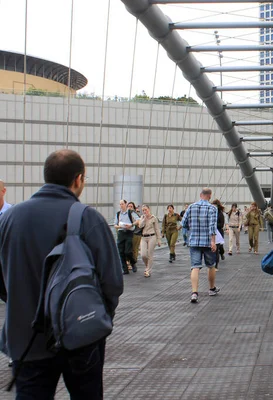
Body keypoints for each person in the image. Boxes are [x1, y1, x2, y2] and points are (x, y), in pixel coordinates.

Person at [0, 149, 123, 399]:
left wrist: (20, 301)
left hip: (26, 336)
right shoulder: (88, 218)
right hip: (81, 333)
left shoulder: (10, 218)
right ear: (78, 179)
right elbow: (112, 282)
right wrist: (98, 316)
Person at [181, 187, 219, 303]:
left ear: (200, 194)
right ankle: (212, 288)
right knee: (211, 265)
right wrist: (213, 241)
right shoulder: (212, 208)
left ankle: (194, 292)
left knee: (195, 267)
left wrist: (190, 231)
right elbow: (212, 226)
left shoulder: (191, 207)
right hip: (207, 242)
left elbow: (183, 223)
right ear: (210, 196)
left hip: (194, 241)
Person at [136, 204, 162, 278]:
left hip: (152, 237)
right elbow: (140, 226)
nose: (144, 211)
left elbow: (157, 229)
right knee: (143, 254)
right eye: (143, 210)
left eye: (146, 210)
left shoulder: (154, 218)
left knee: (150, 254)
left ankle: (148, 270)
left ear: (149, 209)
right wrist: (144, 218)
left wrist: (159, 239)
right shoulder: (142, 217)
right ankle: (147, 266)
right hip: (143, 237)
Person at [115, 199, 139, 274]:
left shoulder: (131, 212)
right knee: (121, 252)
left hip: (129, 232)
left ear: (126, 204)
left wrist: (131, 225)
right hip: (121, 232)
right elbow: (115, 224)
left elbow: (138, 220)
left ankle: (133, 262)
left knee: (128, 251)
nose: (121, 205)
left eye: (122, 204)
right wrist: (119, 226)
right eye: (120, 204)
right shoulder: (118, 214)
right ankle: (125, 269)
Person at [212, 199, 226, 269]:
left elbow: (221, 224)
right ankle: (214, 264)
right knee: (214, 250)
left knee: (219, 247)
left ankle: (216, 265)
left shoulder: (220, 214)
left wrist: (214, 225)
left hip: (219, 232)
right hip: (212, 232)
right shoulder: (210, 213)